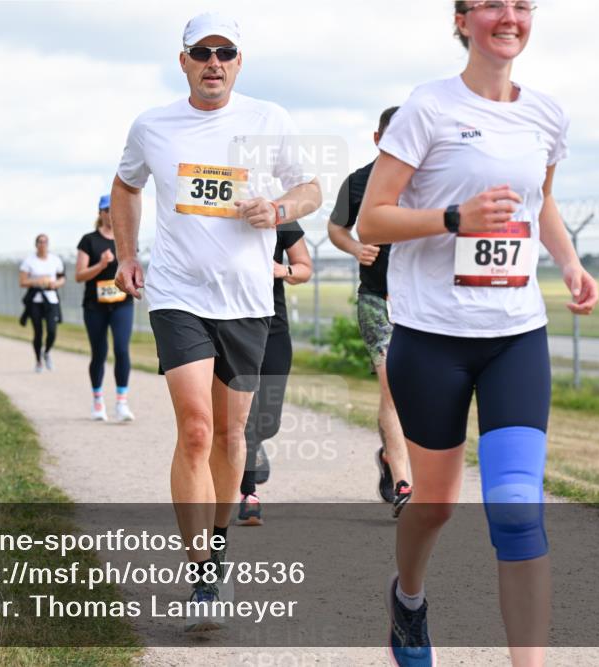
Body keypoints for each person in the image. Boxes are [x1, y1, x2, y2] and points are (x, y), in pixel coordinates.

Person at [358, 3, 599, 665]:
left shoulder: (546, 114)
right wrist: (452, 217)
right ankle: (408, 599)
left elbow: (539, 200)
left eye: (522, 4)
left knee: (519, 509)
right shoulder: (426, 109)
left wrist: (570, 263)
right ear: (463, 19)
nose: (510, 15)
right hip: (432, 337)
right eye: (493, 3)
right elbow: (373, 220)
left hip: (515, 334)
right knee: (435, 505)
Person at [112, 11, 321, 631]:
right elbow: (126, 186)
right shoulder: (153, 125)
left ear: (238, 61)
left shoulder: (268, 119)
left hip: (249, 300)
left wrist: (278, 207)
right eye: (201, 52)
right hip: (179, 295)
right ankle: (199, 571)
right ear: (183, 61)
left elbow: (309, 189)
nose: (213, 62)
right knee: (198, 431)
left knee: (233, 439)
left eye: (224, 52)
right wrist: (126, 254)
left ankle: (218, 546)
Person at [329, 106, 413, 518]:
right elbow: (335, 228)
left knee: (424, 395)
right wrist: (354, 248)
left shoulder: (429, 179)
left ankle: (388, 457)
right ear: (377, 139)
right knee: (391, 388)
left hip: (422, 302)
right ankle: (403, 481)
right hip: (377, 298)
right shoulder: (359, 182)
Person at [236, 222, 312, 526]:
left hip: (274, 330)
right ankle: (248, 494)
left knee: (268, 422)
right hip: (234, 327)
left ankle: (255, 444)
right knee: (245, 418)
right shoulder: (223, 216)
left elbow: (304, 267)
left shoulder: (283, 219)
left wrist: (283, 271)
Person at [76, 195, 135, 422]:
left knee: (121, 349)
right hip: (95, 305)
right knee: (99, 353)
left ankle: (121, 403)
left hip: (122, 303)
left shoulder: (127, 240)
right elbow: (79, 275)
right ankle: (98, 400)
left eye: (114, 209)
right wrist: (100, 264)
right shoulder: (88, 241)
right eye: (107, 210)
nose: (111, 214)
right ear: (100, 213)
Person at [19, 234, 65, 372]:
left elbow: (62, 278)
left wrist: (55, 283)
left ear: (48, 244)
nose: (42, 244)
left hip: (51, 298)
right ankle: (38, 361)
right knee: (38, 332)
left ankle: (47, 352)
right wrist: (36, 282)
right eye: (40, 242)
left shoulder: (55, 260)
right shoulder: (29, 261)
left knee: (52, 330)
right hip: (35, 300)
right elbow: (22, 282)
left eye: (45, 242)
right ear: (36, 244)